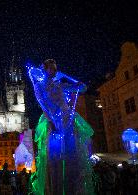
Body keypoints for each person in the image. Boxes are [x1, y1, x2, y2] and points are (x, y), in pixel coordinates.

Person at [29, 59, 93, 194]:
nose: (55, 71)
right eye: (52, 68)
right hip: (53, 122)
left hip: (67, 118)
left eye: (56, 68)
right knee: (55, 156)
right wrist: (52, 122)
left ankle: (73, 187)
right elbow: (43, 105)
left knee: (71, 153)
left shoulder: (59, 84)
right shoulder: (39, 86)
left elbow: (83, 88)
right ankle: (55, 187)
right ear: (45, 69)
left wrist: (71, 80)